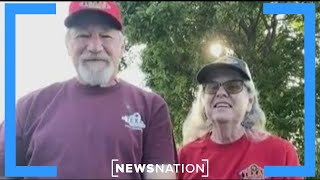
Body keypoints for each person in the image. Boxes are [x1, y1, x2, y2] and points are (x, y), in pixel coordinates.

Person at [0, 1, 177, 179]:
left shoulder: (152, 108)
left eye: (105, 36)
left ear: (121, 46)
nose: (94, 47)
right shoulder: (26, 108)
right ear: (68, 44)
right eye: (83, 35)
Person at [178, 56, 303, 179]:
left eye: (233, 86)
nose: (221, 93)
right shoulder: (185, 157)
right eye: (212, 87)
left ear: (249, 101)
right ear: (203, 101)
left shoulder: (281, 154)